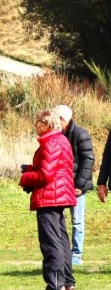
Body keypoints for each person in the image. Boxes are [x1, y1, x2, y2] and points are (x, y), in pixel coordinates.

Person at [20, 108, 77, 290]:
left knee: (51, 241)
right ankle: (67, 281)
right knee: (61, 239)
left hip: (49, 197)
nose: (35, 125)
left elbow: (46, 175)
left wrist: (26, 178)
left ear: (46, 124)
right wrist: (30, 168)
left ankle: (55, 285)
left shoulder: (51, 143)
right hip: (58, 196)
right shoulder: (61, 140)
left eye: (38, 122)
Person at [55, 105, 94, 265]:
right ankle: (62, 253)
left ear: (62, 119)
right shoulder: (57, 135)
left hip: (76, 186)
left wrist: (79, 185)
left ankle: (76, 255)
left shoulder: (80, 134)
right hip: (61, 185)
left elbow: (88, 161)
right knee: (59, 219)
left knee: (77, 220)